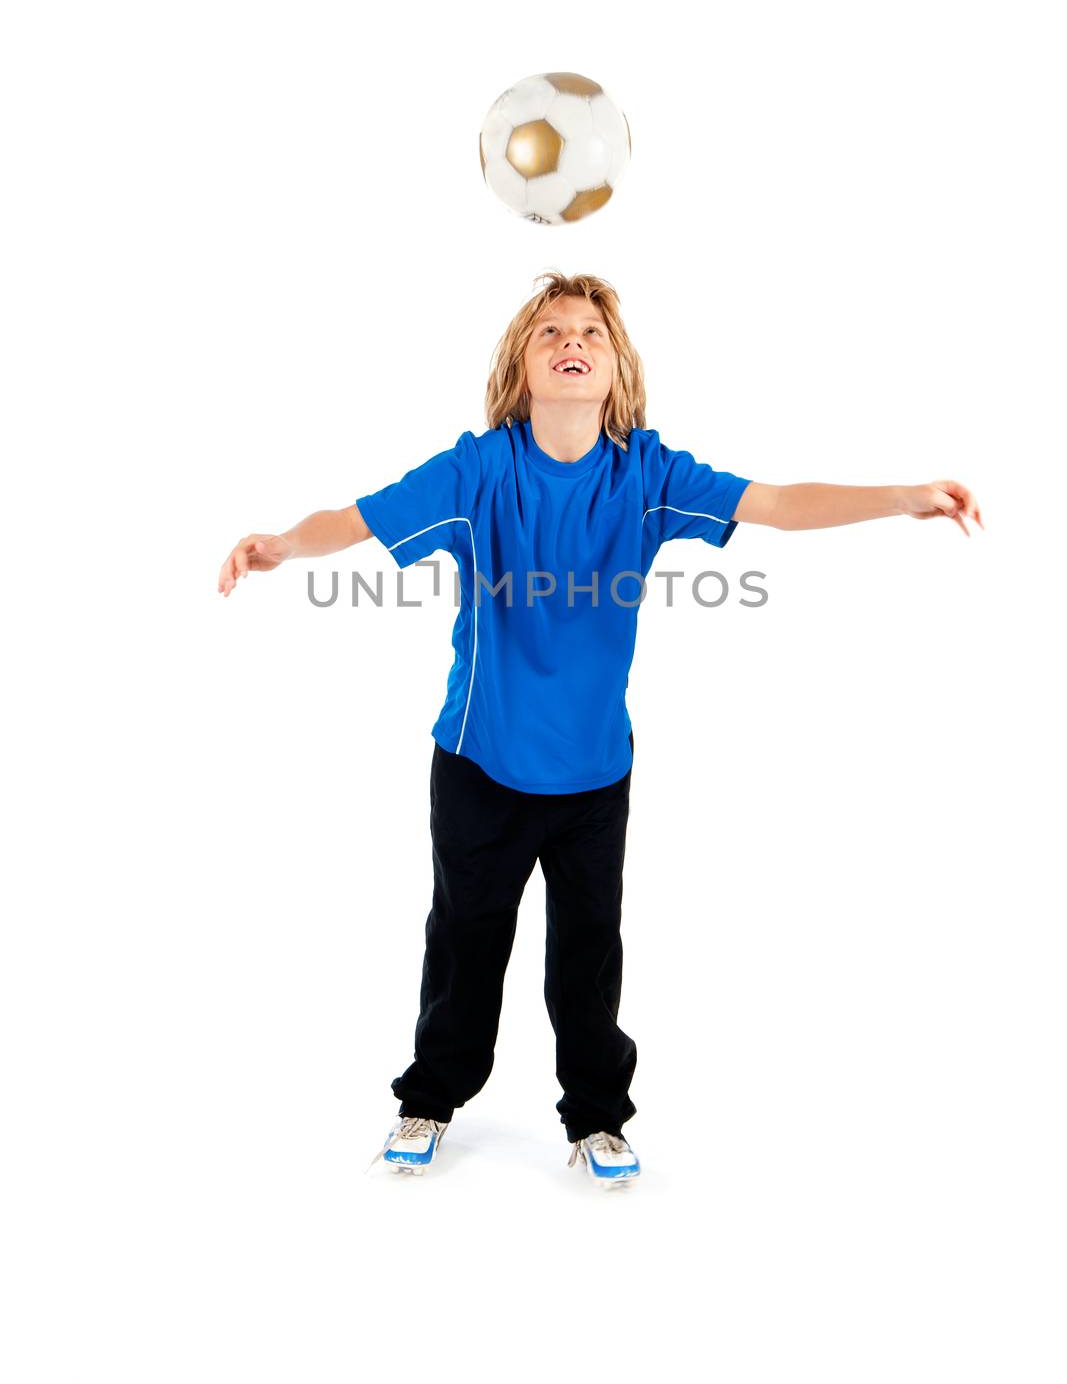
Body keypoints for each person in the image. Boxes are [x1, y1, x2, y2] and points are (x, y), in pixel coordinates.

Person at [217, 270, 983, 1189]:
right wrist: (279, 545)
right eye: (549, 332)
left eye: (590, 331)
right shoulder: (478, 470)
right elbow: (350, 519)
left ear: (616, 369)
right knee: (466, 941)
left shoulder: (647, 476)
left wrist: (900, 497)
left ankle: (596, 1118)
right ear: (522, 365)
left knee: (587, 952)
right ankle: (430, 1097)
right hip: (479, 763)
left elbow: (776, 503)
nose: (570, 340)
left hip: (591, 772)